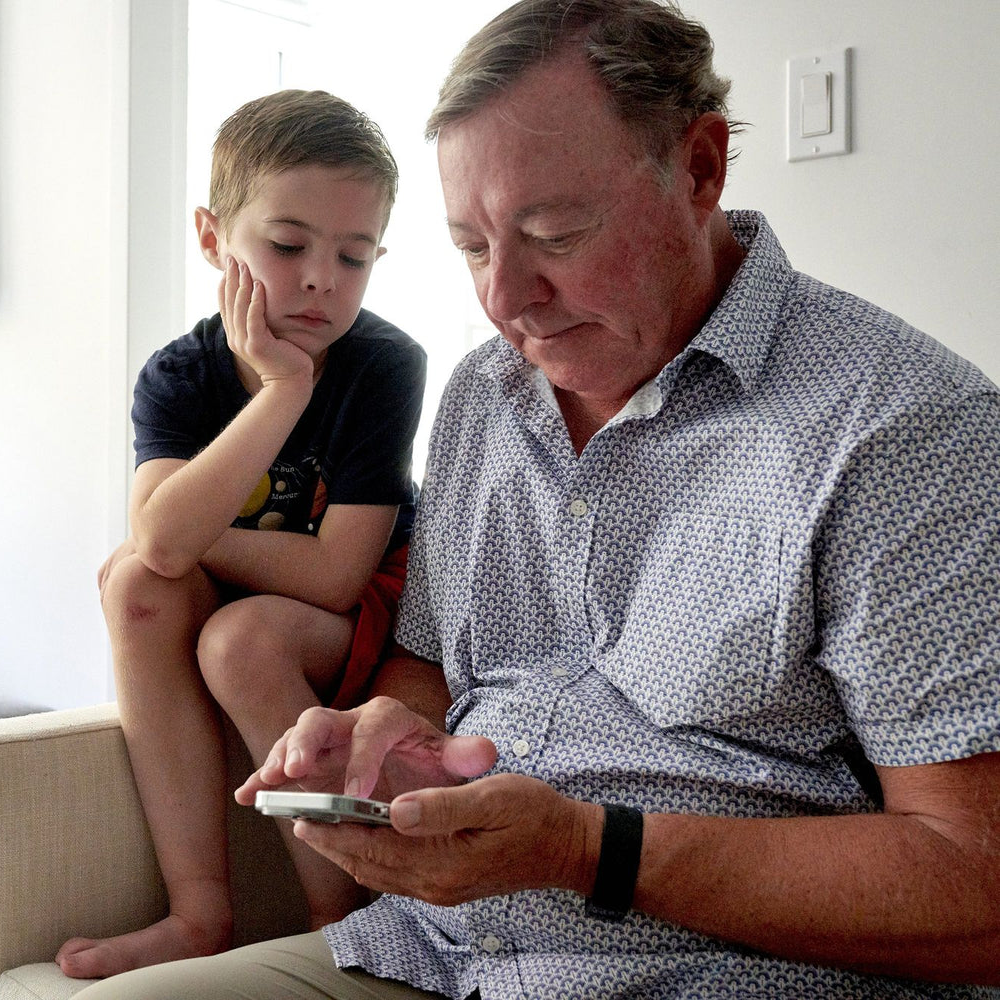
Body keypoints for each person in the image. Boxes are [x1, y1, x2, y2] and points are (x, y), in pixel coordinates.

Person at [73, 1, 1000, 997]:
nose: (506, 300)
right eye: (472, 248)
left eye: (555, 232)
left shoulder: (902, 426)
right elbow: (428, 667)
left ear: (699, 168)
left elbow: (976, 887)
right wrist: (390, 728)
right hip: (436, 951)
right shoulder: (483, 397)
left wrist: (585, 851)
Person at [55, 89, 427, 980]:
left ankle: (341, 917)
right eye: (288, 245)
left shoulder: (384, 365)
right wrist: (278, 392)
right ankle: (199, 911)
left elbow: (338, 573)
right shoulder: (179, 375)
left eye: (355, 256)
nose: (319, 280)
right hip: (255, 590)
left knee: (239, 636)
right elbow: (158, 558)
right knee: (136, 587)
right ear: (214, 237)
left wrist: (185, 524)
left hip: (358, 613)